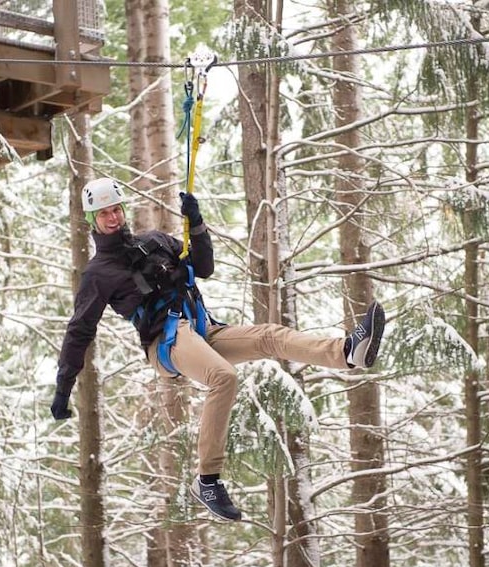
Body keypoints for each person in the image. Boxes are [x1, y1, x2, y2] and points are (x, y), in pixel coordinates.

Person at [51, 177, 385, 522]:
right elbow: (79, 331)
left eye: (116, 210)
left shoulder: (154, 241)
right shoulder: (98, 274)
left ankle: (347, 352)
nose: (113, 218)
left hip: (200, 327)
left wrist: (195, 224)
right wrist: (64, 388)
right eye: (104, 213)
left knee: (268, 336)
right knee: (224, 376)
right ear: (92, 219)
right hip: (165, 343)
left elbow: (204, 266)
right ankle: (207, 480)